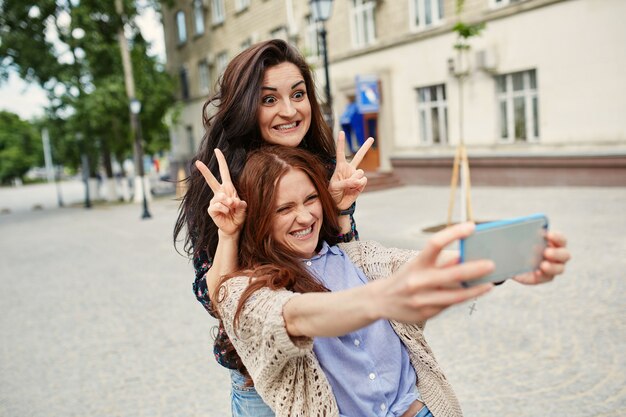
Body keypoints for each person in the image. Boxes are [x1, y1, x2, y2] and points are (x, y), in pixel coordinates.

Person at [208, 145, 570, 417]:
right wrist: (382, 300)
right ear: (259, 219)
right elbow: (294, 317)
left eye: (311, 199)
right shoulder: (251, 290)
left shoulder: (356, 256)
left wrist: (504, 262)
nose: (304, 216)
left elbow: (424, 266)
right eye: (283, 209)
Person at [173, 39, 372, 416]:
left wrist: (340, 209)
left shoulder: (323, 166)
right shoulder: (221, 181)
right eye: (269, 100)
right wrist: (229, 232)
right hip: (264, 376)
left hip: (336, 361)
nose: (290, 110)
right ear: (246, 107)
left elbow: (345, 266)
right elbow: (214, 299)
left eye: (298, 94)